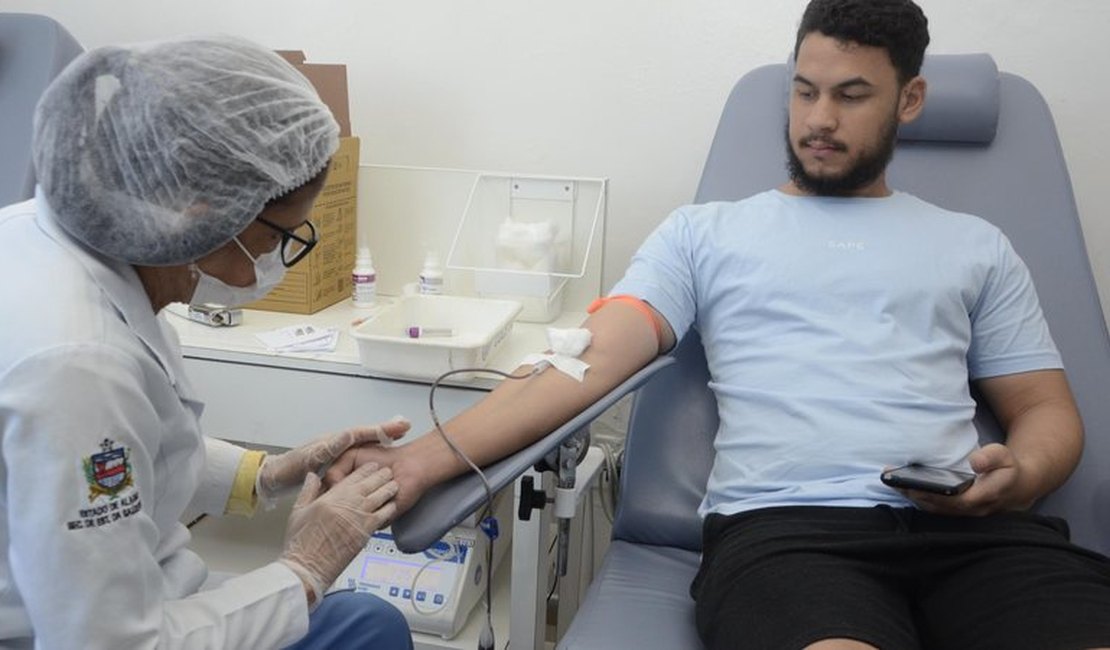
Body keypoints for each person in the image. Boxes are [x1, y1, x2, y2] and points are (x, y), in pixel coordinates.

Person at [325, 1, 1110, 649]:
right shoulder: (704, 235)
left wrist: (1022, 475)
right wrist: (420, 462)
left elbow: (1046, 412)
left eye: (852, 95)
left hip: (975, 538)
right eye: (804, 91)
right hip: (788, 538)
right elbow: (584, 363)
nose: (819, 119)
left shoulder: (974, 245)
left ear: (910, 100)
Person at [0, 36, 414, 649]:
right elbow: (110, 642)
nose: (274, 263)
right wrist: (305, 567)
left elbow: (120, 457)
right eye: (279, 237)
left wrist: (268, 472)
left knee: (366, 623)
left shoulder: (49, 233)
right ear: (200, 214)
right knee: (363, 627)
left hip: (122, 597)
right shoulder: (78, 366)